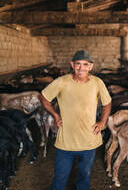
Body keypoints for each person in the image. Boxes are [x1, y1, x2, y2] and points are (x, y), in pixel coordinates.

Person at [39, 50, 112, 190]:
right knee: (60, 177)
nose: (81, 68)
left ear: (91, 66)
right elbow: (43, 97)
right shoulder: (62, 81)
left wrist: (102, 122)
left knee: (85, 176)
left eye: (85, 64)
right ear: (72, 65)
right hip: (66, 141)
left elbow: (107, 103)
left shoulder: (98, 83)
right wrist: (55, 115)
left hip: (89, 139)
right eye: (78, 64)